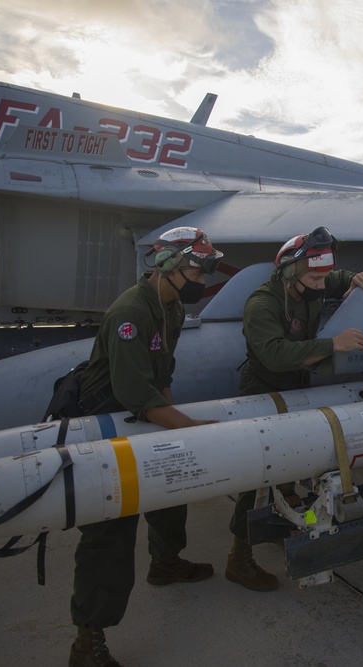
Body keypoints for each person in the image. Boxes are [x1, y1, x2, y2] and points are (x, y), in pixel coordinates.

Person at [69, 226, 224, 667]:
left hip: (143, 413)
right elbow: (136, 392)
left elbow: (160, 377)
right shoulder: (130, 314)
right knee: (110, 532)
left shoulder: (169, 306)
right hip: (107, 424)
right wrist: (191, 428)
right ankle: (87, 642)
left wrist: (173, 426)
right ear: (169, 267)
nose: (203, 280)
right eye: (198, 269)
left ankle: (166, 562)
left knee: (172, 490)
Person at [225, 226, 363, 591]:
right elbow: (274, 355)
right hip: (263, 391)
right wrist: (332, 344)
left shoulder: (309, 283)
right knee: (257, 478)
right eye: (314, 277)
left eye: (324, 276)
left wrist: (353, 277)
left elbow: (333, 278)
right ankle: (238, 556)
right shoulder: (262, 304)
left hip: (296, 389)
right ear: (290, 273)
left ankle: (276, 527)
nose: (322, 285)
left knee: (288, 467)